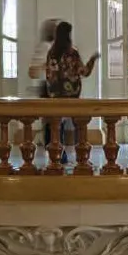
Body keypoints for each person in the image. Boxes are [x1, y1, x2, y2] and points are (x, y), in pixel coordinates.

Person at [43, 21, 94, 162]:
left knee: (56, 126)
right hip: (72, 95)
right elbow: (84, 71)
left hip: (56, 95)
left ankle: (58, 155)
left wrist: (52, 92)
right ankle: (81, 155)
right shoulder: (73, 53)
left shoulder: (51, 53)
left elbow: (49, 75)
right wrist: (93, 60)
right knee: (79, 125)